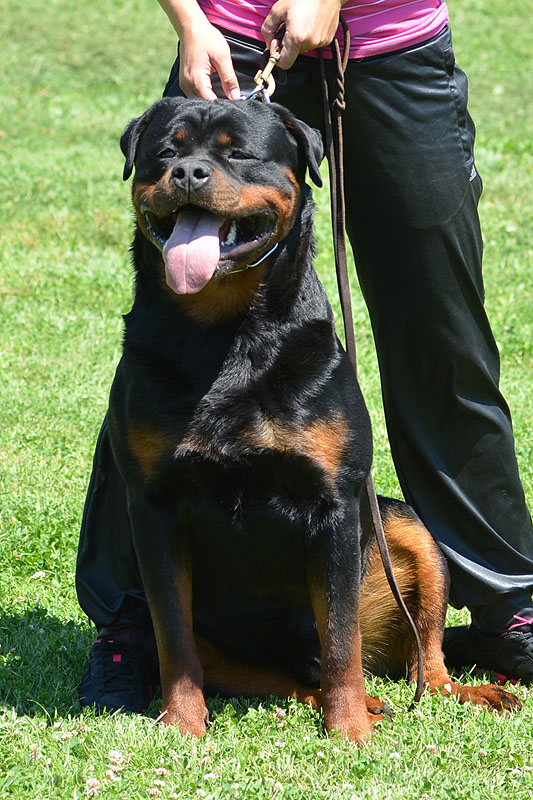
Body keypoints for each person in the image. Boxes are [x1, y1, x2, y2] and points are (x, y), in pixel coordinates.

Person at [77, 0, 533, 713]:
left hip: (390, 37)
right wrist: (189, 19)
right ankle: (132, 626)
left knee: (442, 345)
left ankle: (506, 609)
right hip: (224, 28)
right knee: (152, 386)